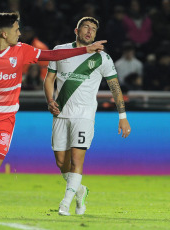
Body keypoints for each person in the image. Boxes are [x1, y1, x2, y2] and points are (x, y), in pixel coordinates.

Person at [0, 12, 107, 218]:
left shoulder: (22, 51)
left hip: (5, 119)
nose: (20, 33)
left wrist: (86, 50)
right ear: (4, 34)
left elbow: (52, 55)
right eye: (16, 29)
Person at [43, 17, 131, 216]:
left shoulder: (102, 58)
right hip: (61, 113)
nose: (90, 31)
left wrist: (122, 116)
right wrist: (50, 101)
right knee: (60, 162)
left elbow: (115, 87)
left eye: (93, 29)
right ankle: (80, 190)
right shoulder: (60, 50)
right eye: (86, 27)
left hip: (84, 115)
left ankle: (65, 203)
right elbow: (49, 79)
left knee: (76, 160)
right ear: (76, 30)